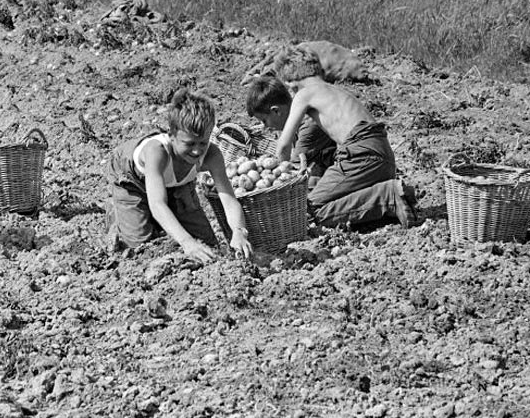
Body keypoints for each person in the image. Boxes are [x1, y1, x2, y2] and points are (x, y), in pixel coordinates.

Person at [246, 48, 415, 229]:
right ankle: (390, 200)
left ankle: (387, 196)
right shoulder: (331, 90)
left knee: (309, 211)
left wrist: (277, 180)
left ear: (290, 83)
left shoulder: (304, 94)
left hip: (360, 154)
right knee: (336, 201)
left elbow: (283, 147)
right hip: (383, 156)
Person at [106, 88, 252, 263]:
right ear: (171, 136)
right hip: (132, 179)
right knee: (140, 248)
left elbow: (228, 199)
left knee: (208, 247)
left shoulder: (212, 156)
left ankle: (162, 219)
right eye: (189, 143)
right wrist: (187, 242)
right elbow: (158, 203)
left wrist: (239, 231)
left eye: (203, 142)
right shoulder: (157, 152)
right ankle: (118, 216)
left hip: (176, 181)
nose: (197, 150)